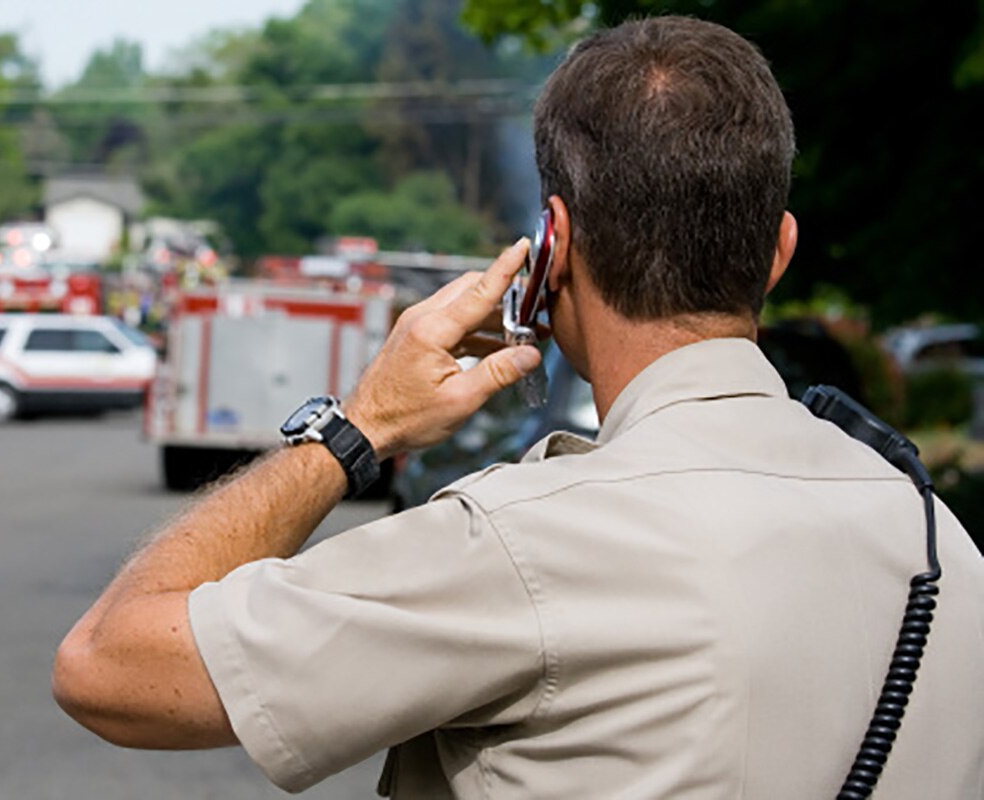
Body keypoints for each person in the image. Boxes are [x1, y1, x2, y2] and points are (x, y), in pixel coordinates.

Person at [53, 16, 984, 799]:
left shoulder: (521, 548)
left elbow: (106, 665)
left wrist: (360, 427)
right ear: (778, 251)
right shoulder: (942, 543)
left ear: (553, 248)